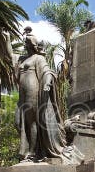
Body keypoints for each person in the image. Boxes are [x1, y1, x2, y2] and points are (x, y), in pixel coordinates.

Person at [6, 28, 83, 164]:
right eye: (25, 42)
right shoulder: (23, 59)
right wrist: (6, 38)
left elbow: (47, 72)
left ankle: (32, 153)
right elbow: (10, 55)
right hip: (22, 96)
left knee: (32, 122)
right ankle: (29, 151)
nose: (24, 44)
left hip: (33, 92)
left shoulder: (38, 58)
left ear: (32, 45)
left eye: (26, 42)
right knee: (18, 122)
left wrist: (47, 84)